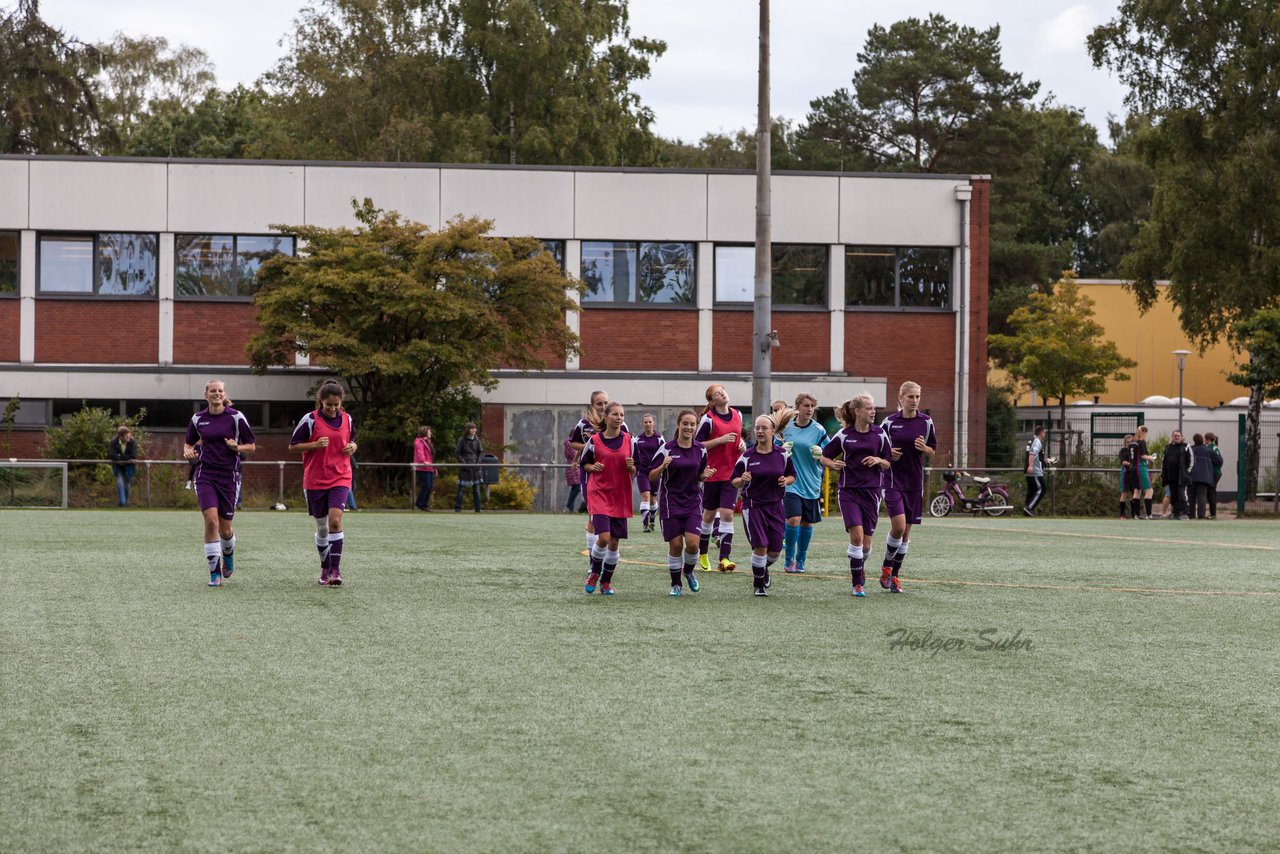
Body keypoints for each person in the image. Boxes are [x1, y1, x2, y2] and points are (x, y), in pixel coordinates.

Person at [183, 380, 256, 586]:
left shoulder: (235, 417)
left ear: (224, 395)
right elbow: (189, 442)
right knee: (211, 520)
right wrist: (187, 450)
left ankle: (228, 552)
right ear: (206, 395)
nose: (216, 394)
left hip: (228, 476)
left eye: (220, 391)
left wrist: (237, 447)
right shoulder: (198, 419)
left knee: (225, 530)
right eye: (212, 391)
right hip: (204, 474)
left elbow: (251, 446)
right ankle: (214, 572)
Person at [821, 393, 892, 598]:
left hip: (872, 492)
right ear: (858, 411)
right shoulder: (844, 435)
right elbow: (825, 457)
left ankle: (859, 565)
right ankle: (857, 585)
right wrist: (833, 464)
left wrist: (878, 460)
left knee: (866, 546)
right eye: (869, 408)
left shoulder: (880, 434)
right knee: (857, 537)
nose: (873, 412)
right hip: (849, 491)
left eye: (874, 408)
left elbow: (888, 462)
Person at [289, 379, 358, 586]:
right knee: (323, 528)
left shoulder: (347, 419)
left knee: (335, 521)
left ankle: (336, 571)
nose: (333, 409)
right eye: (329, 405)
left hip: (341, 476)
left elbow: (352, 439)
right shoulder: (310, 420)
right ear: (321, 402)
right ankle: (325, 567)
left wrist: (353, 446)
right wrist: (315, 444)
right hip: (315, 480)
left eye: (336, 405)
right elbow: (293, 446)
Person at [878, 381, 937, 592]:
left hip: (914, 483)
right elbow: (878, 448)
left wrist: (925, 448)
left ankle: (893, 576)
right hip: (892, 480)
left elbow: (933, 450)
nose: (915, 401)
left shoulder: (926, 422)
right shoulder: (889, 423)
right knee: (899, 526)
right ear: (901, 397)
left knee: (906, 533)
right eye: (911, 397)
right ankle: (887, 564)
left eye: (918, 397)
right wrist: (888, 454)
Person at [732, 412, 797, 596]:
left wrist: (787, 480)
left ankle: (761, 568)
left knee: (775, 551)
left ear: (773, 431)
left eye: (764, 428)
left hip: (776, 506)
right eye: (757, 428)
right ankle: (758, 584)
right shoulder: (747, 456)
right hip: (753, 506)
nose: (760, 431)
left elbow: (793, 475)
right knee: (760, 546)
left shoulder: (782, 454)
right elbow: (733, 480)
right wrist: (741, 479)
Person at [647, 409, 711, 596]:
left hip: (692, 502)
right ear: (678, 425)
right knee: (675, 546)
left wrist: (704, 476)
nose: (689, 427)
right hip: (671, 503)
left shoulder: (701, 449)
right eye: (685, 424)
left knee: (692, 544)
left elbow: (700, 473)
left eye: (692, 424)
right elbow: (651, 476)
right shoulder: (667, 448)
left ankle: (689, 572)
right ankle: (676, 584)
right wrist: (663, 465)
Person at [579, 401, 636, 595]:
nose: (619, 418)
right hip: (599, 493)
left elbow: (636, 470)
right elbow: (583, 463)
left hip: (620, 495)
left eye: (622, 415)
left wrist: (631, 468)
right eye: (615, 414)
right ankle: (594, 572)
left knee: (614, 543)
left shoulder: (629, 440)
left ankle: (606, 582)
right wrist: (592, 467)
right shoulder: (594, 441)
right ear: (606, 417)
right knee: (603, 538)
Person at [568, 391, 628, 556]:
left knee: (613, 517)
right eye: (599, 404)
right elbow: (573, 443)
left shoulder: (620, 424)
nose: (603, 407)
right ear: (592, 405)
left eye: (605, 403)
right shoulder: (583, 424)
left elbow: (627, 446)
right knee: (593, 513)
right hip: (592, 475)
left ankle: (608, 556)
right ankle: (592, 557)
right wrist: (592, 445)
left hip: (614, 477)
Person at [696, 384, 745, 573]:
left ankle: (724, 558)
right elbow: (697, 445)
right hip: (712, 473)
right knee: (708, 516)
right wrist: (720, 440)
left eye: (723, 390)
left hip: (731, 475)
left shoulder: (738, 415)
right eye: (717, 393)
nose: (723, 393)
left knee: (727, 514)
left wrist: (740, 443)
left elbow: (738, 438)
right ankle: (702, 553)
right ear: (711, 401)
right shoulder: (708, 420)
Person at [781, 393, 828, 574]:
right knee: (793, 519)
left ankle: (801, 559)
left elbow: (828, 454)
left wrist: (820, 454)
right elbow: (774, 449)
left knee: (807, 524)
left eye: (812, 406)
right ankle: (789, 559)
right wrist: (781, 450)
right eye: (806, 406)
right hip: (791, 481)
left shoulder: (819, 430)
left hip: (811, 482)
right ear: (797, 407)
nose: (809, 409)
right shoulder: (786, 428)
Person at [633, 414, 666, 533]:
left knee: (653, 499)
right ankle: (645, 524)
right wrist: (634, 468)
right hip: (642, 472)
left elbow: (664, 454)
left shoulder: (659, 438)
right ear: (642, 424)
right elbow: (634, 455)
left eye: (649, 422)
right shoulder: (637, 439)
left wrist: (662, 468)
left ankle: (652, 520)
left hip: (655, 471)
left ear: (653, 423)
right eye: (645, 422)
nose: (647, 424)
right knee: (645, 496)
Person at [1188, 433, 1223, 520]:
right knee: (1202, 496)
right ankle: (1201, 515)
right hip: (1205, 476)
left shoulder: (1190, 450)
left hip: (1192, 476)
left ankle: (1191, 514)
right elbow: (1219, 461)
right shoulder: (1209, 450)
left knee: (1191, 496)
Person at [1161, 430, 1192, 520]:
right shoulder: (1167, 448)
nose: (1176, 437)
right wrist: (1163, 474)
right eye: (1175, 435)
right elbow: (1163, 462)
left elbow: (1192, 461)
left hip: (1182, 477)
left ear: (1181, 437)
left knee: (1182, 495)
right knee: (1173, 496)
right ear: (1172, 437)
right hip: (1170, 477)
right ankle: (1176, 513)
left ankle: (1185, 513)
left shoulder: (1186, 447)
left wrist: (1187, 473)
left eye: (1178, 435)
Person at [455, 422, 484, 512]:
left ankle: (478, 509)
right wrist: (464, 464)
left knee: (477, 490)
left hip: (476, 468)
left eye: (474, 428)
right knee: (461, 490)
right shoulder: (462, 440)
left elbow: (481, 452)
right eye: (471, 428)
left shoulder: (477, 440)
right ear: (467, 429)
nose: (473, 430)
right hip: (465, 468)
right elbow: (458, 453)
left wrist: (478, 462)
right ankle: (458, 508)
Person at [108, 425, 138, 507]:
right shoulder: (113, 442)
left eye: (129, 435)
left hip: (128, 467)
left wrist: (121, 457)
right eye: (126, 436)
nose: (129, 437)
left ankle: (126, 502)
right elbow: (112, 454)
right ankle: (122, 503)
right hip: (118, 466)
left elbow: (133, 455)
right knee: (120, 482)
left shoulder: (132, 442)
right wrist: (120, 460)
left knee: (127, 485)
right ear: (120, 436)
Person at [1133, 425, 1157, 518]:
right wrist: (1151, 458)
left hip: (1133, 468)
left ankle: (1136, 515)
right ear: (1144, 433)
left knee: (1137, 490)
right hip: (1141, 467)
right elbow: (1143, 456)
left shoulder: (1133, 442)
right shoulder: (1141, 441)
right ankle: (1149, 515)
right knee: (1149, 490)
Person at [1023, 426, 1046, 517]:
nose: (1045, 434)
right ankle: (1029, 507)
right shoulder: (1037, 441)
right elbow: (1032, 453)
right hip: (1035, 471)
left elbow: (1035, 456)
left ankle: (1027, 511)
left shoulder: (1032, 440)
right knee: (1042, 489)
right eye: (1044, 432)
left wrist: (1044, 462)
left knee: (1032, 490)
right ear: (1041, 433)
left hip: (1030, 470)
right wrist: (1031, 466)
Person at [413, 425, 436, 511]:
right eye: (429, 432)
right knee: (426, 485)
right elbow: (420, 452)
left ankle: (424, 504)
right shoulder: (419, 441)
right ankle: (420, 504)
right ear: (425, 432)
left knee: (429, 486)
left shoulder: (429, 442)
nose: (431, 433)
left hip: (430, 467)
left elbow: (433, 455)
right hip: (423, 467)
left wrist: (434, 467)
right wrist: (423, 461)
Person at [1205, 431, 1222, 518]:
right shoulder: (1215, 448)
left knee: (1211, 492)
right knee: (1211, 492)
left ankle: (1213, 513)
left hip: (1213, 473)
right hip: (1217, 472)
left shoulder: (1210, 448)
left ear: (1207, 439)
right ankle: (1212, 513)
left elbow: (1219, 461)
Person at [563, 436, 583, 513]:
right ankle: (568, 506)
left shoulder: (569, 443)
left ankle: (570, 507)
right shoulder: (570, 444)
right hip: (573, 468)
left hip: (574, 468)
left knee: (576, 487)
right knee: (577, 486)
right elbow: (574, 454)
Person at [1118, 432, 1135, 518]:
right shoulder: (1123, 451)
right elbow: (1124, 462)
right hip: (1126, 474)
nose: (1129, 443)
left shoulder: (1134, 451)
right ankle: (1122, 515)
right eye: (1128, 442)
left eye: (1131, 442)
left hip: (1134, 474)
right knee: (1124, 494)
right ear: (1125, 442)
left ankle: (1134, 514)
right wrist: (1132, 464)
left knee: (1134, 494)